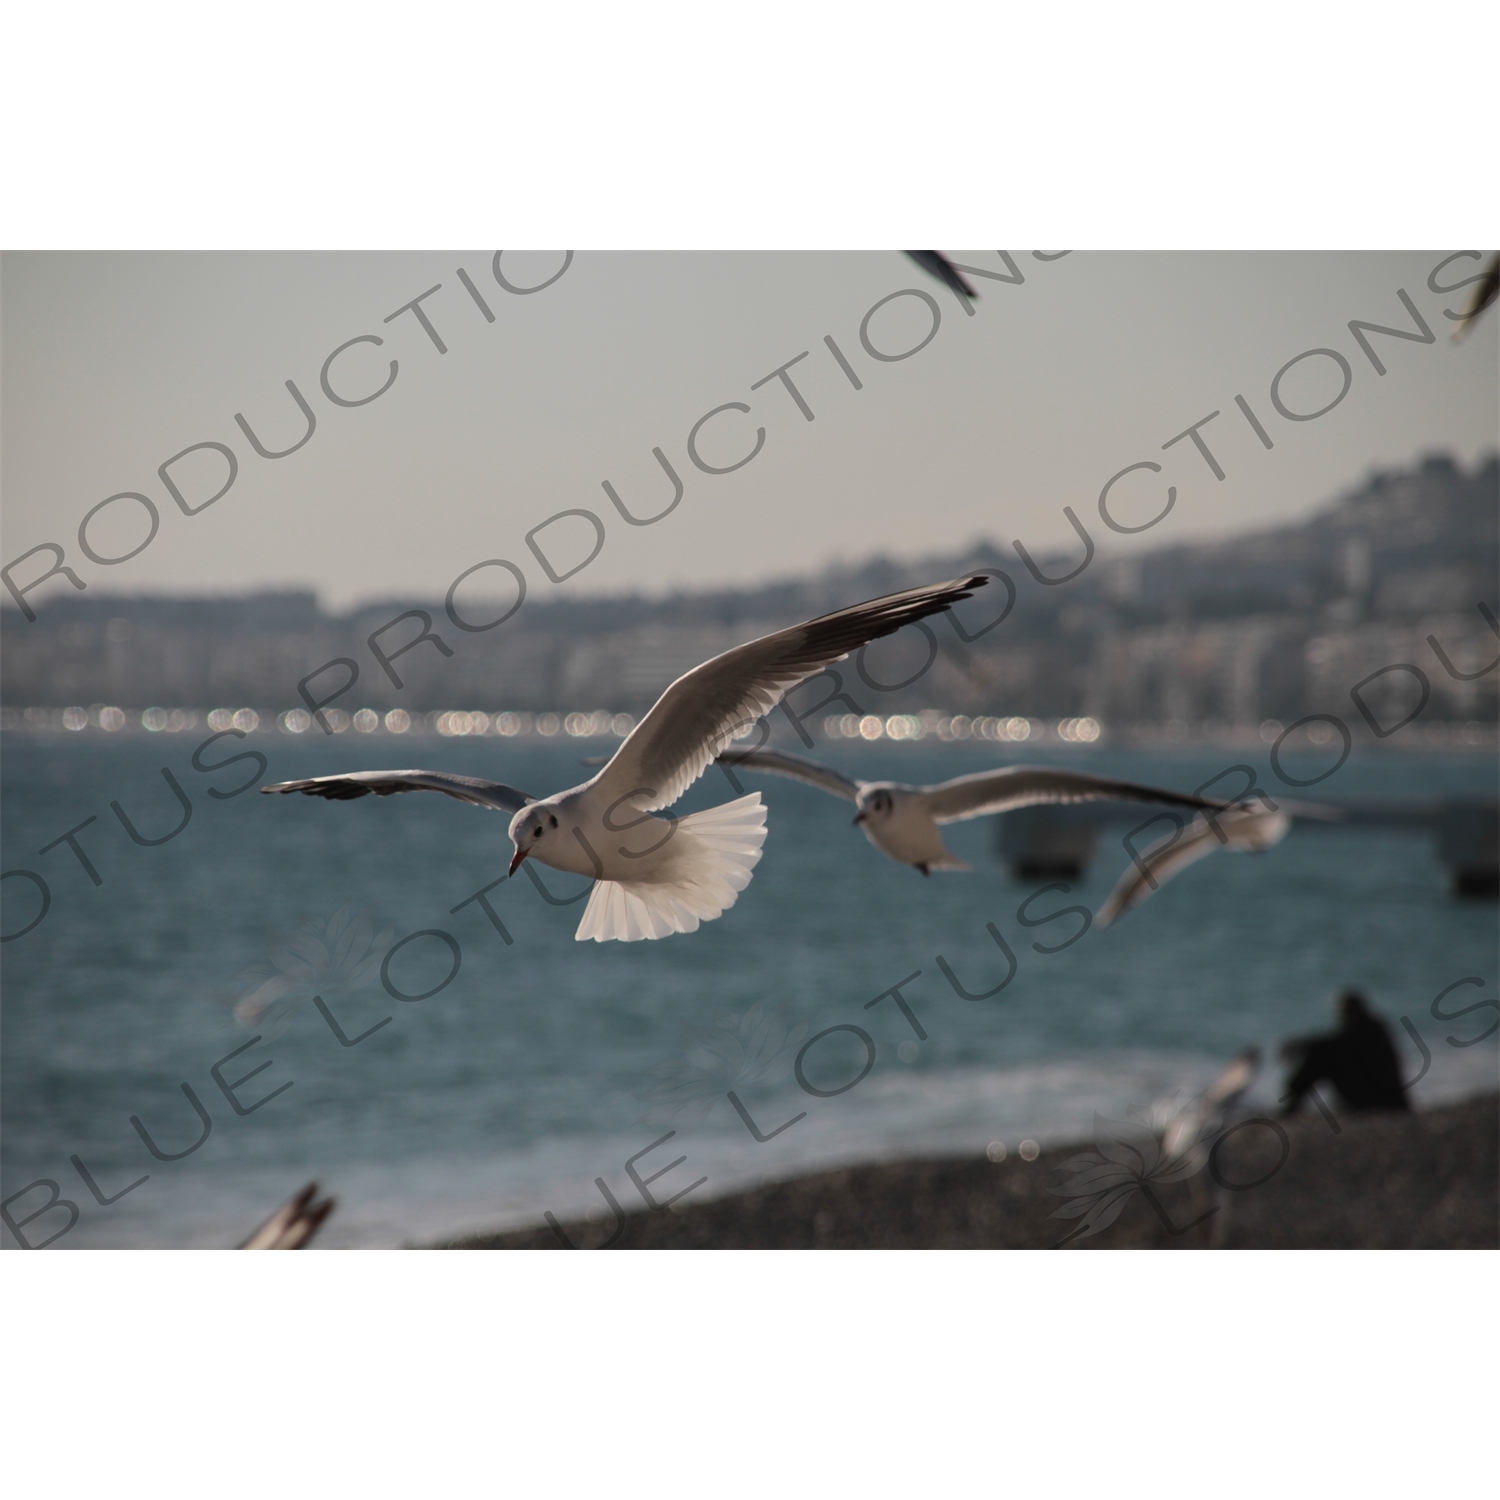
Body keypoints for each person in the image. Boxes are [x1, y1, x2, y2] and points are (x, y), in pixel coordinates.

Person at [1280, 989, 1410, 1115]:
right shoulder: (1371, 1028)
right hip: (1384, 1097)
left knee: (1320, 1056)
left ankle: (1292, 1103)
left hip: (1381, 1099)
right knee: (1322, 1054)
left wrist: (1300, 1045)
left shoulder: (1365, 1029)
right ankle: (1293, 1101)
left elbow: (1337, 1044)